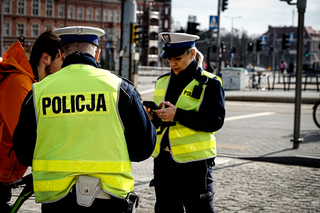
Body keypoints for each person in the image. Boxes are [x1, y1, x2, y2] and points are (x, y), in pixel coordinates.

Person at [13, 26, 156, 212]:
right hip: (109, 200)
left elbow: (23, 152)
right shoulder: (120, 89)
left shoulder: (38, 92)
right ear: (97, 54)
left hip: (57, 202)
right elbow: (144, 149)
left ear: (61, 54)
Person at [147, 32, 225, 213]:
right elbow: (161, 123)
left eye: (177, 58)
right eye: (169, 59)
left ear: (192, 53)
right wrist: (152, 116)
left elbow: (216, 121)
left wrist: (178, 115)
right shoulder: (162, 81)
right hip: (163, 161)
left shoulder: (210, 83)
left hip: (195, 163)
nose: (172, 63)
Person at [0, 28, 62, 211]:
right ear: (46, 58)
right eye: (61, 60)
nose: (63, 68)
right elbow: (26, 137)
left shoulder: (30, 83)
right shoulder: (20, 84)